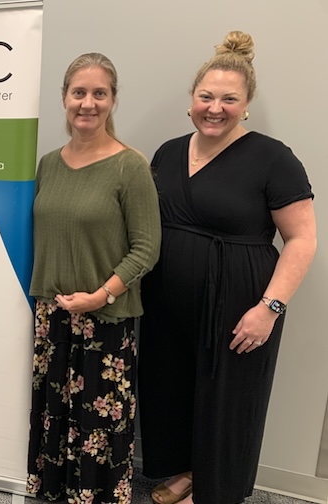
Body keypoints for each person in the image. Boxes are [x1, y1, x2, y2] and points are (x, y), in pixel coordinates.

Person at [138, 31, 317, 504]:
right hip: (167, 303)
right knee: (172, 387)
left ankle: (216, 489)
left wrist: (270, 308)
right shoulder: (169, 152)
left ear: (246, 105)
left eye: (229, 99)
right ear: (192, 100)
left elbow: (302, 239)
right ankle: (186, 472)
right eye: (206, 96)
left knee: (228, 401)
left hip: (241, 303)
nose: (215, 107)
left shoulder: (273, 158)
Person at [26, 53, 161, 504]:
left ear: (113, 100)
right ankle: (54, 491)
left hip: (105, 318)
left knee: (98, 426)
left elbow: (147, 249)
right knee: (54, 415)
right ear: (64, 98)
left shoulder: (130, 167)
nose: (88, 103)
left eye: (99, 93)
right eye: (78, 92)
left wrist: (100, 296)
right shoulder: (47, 163)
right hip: (52, 314)